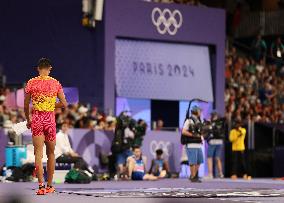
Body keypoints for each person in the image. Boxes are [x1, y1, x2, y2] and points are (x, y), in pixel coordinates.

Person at [24, 58, 67, 195]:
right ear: (50, 68)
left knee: (38, 153)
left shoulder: (31, 82)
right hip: (49, 119)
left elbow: (26, 105)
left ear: (38, 68)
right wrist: (49, 105)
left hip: (36, 118)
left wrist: (28, 119)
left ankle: (41, 187)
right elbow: (64, 104)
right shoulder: (55, 83)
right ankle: (50, 186)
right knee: (51, 153)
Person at [181, 105, 204, 183]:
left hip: (198, 144)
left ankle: (193, 175)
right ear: (196, 111)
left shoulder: (199, 120)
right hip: (191, 144)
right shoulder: (189, 120)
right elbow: (183, 131)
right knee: (192, 162)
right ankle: (193, 176)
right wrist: (193, 135)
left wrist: (201, 138)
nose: (200, 112)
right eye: (199, 111)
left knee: (200, 160)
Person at [207, 111, 225, 179]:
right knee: (218, 158)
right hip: (220, 142)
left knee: (209, 157)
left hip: (213, 141)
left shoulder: (211, 123)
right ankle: (221, 174)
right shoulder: (221, 123)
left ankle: (210, 174)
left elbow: (207, 131)